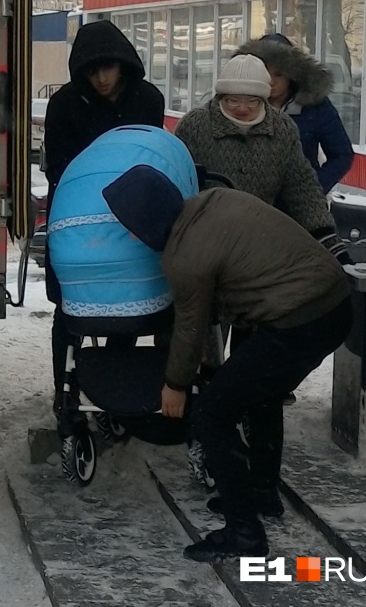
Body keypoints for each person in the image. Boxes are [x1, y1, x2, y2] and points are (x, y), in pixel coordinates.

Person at [102, 165, 352, 563]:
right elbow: (229, 278)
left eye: (129, 224)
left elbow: (187, 326)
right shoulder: (212, 202)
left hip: (299, 321)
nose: (130, 234)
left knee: (212, 413)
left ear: (147, 219)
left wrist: (175, 384)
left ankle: (244, 533)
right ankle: (262, 493)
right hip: (333, 302)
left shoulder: (184, 256)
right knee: (260, 393)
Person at [43, 20, 166, 404]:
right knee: (70, 309)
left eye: (108, 68)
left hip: (130, 217)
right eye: (92, 71)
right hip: (75, 215)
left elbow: (150, 156)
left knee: (127, 305)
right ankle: (65, 388)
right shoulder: (64, 104)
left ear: (123, 65)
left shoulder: (148, 100)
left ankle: (117, 389)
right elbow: (59, 168)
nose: (101, 78)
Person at [173, 53, 338, 241]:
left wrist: (324, 234)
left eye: (252, 101)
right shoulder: (194, 126)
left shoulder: (281, 128)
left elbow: (301, 185)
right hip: (205, 238)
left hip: (261, 240)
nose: (242, 108)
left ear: (264, 99)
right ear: (221, 96)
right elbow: (175, 180)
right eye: (233, 100)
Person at [235, 33, 354, 193]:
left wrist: (312, 188)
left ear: (292, 75)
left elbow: (342, 155)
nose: (271, 80)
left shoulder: (314, 106)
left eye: (279, 74)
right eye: (265, 71)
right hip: (247, 200)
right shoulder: (237, 104)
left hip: (298, 205)